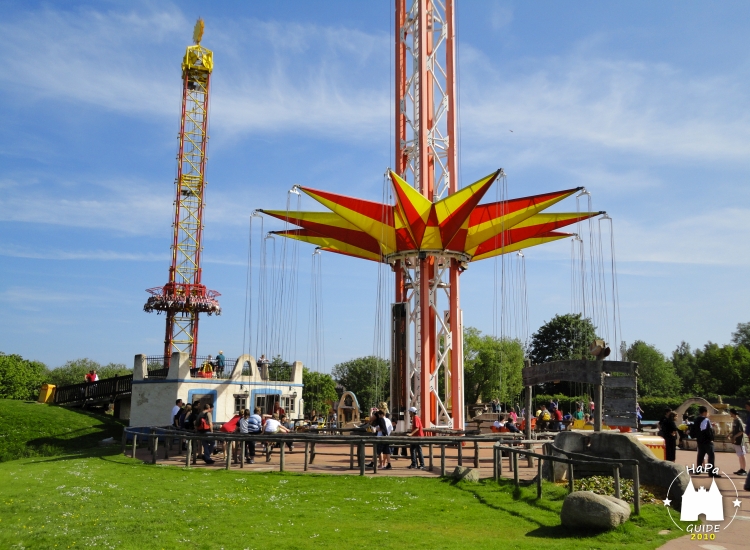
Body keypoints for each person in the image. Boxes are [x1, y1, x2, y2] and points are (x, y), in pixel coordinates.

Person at [695, 406, 717, 477]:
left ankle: (698, 470)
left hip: (700, 440)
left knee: (700, 456)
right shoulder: (706, 420)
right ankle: (711, 472)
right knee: (711, 456)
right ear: (704, 412)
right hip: (707, 441)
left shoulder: (696, 419)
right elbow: (707, 430)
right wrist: (711, 438)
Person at [729, 408, 746, 475]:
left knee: (742, 455)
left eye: (731, 413)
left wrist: (735, 436)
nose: (730, 414)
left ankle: (744, 470)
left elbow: (742, 431)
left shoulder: (739, 420)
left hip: (740, 440)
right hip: (736, 441)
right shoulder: (735, 420)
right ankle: (741, 468)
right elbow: (734, 430)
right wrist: (729, 434)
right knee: (739, 455)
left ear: (733, 413)